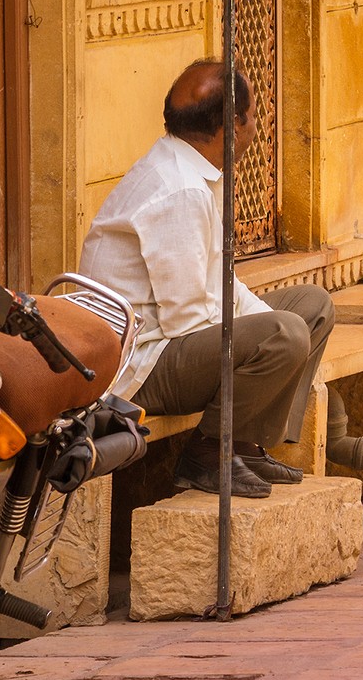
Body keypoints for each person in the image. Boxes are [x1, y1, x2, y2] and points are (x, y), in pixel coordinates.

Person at [79, 61, 333, 499]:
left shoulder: (191, 168)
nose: (258, 122)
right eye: (253, 114)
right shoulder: (180, 189)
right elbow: (187, 321)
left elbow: (220, 285)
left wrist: (273, 328)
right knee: (285, 335)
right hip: (140, 364)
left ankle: (245, 443)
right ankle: (207, 452)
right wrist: (275, 342)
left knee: (312, 309)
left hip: (172, 340)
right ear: (232, 125)